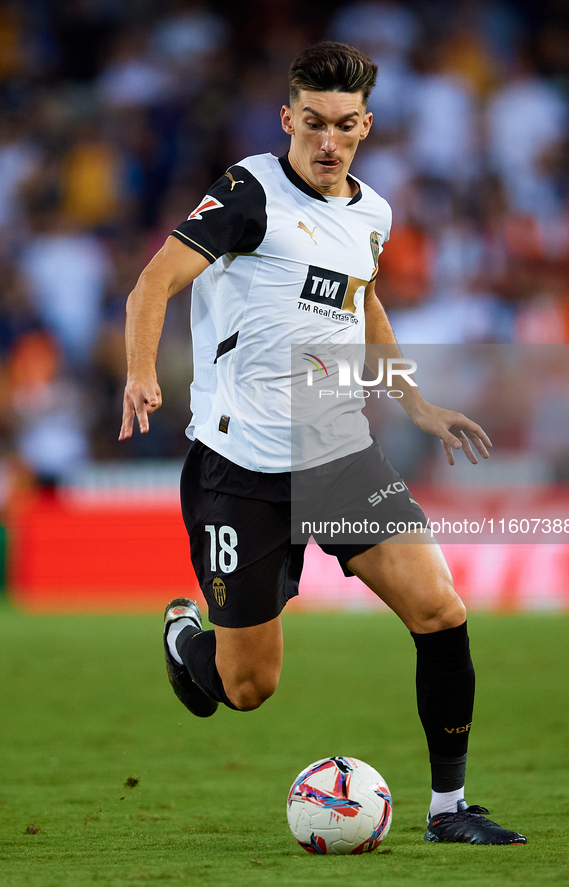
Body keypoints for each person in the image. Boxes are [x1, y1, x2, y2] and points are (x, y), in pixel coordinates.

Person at [119, 42, 526, 846]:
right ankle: (184, 637)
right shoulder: (247, 191)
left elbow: (363, 304)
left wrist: (415, 402)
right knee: (244, 687)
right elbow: (152, 282)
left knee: (440, 610)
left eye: (344, 125)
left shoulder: (371, 213)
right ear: (288, 119)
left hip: (337, 455)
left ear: (365, 126)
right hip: (239, 466)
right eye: (312, 123)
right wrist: (140, 373)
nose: (327, 140)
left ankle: (449, 808)